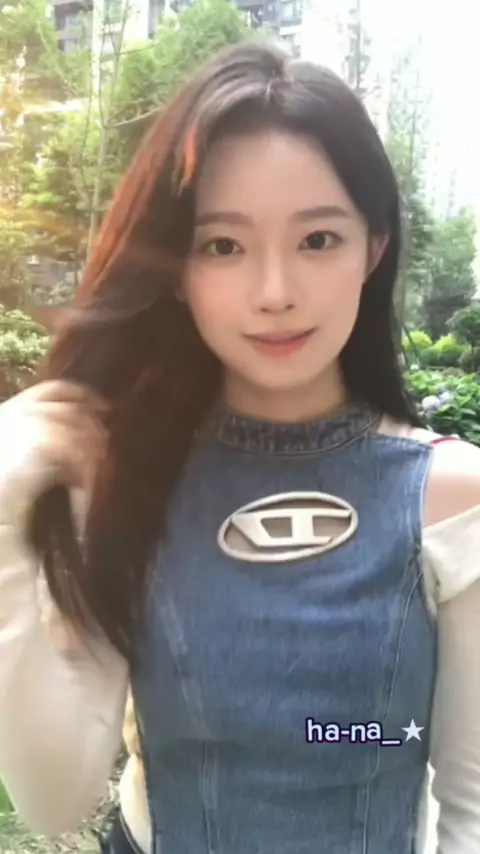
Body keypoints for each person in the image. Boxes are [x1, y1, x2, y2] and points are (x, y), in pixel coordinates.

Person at [0, 39, 479, 854]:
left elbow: (471, 802)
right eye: (222, 245)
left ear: (374, 247)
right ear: (176, 270)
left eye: (317, 239)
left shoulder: (452, 498)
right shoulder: (126, 479)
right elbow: (54, 798)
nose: (274, 292)